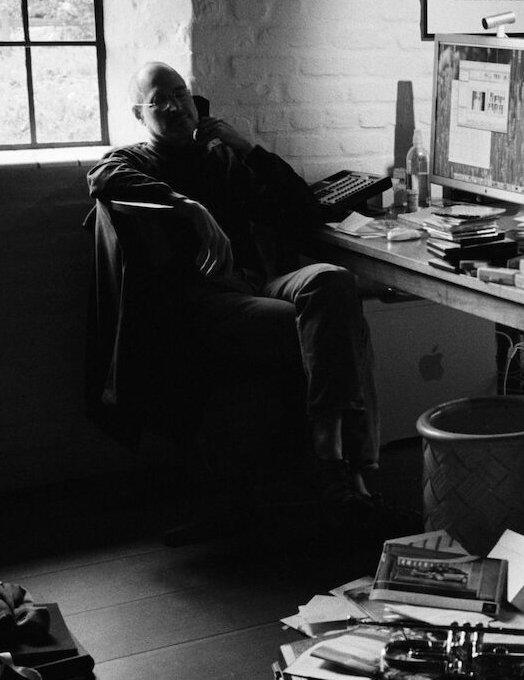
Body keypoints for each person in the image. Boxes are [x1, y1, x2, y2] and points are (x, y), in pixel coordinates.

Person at [87, 61, 386, 522]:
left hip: (258, 283)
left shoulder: (222, 159)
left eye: (180, 94)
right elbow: (101, 176)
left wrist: (247, 148)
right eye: (159, 100)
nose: (175, 106)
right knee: (328, 327)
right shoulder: (136, 161)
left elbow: (303, 209)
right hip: (206, 302)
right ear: (139, 114)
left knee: (333, 281)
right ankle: (344, 469)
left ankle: (333, 456)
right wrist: (189, 208)